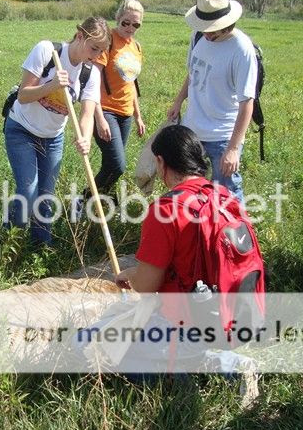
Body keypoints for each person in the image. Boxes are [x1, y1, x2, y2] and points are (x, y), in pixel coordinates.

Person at [75, 125, 263, 376]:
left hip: (184, 326)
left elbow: (146, 286)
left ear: (161, 162)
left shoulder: (165, 211)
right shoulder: (225, 197)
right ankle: (230, 365)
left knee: (84, 344)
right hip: (233, 319)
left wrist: (130, 275)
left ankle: (208, 373)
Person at [4, 17, 111, 246]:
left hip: (53, 138)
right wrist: (51, 86)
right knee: (28, 191)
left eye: (101, 51)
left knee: (46, 196)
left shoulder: (90, 74)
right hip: (22, 129)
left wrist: (85, 138)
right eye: (94, 48)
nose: (96, 56)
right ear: (80, 36)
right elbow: (23, 95)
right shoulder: (47, 51)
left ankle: (41, 247)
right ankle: (8, 241)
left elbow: (87, 114)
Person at [167, 0, 257, 204]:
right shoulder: (198, 36)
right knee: (190, 188)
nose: (207, 33)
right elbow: (193, 73)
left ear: (227, 23)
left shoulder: (241, 49)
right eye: (203, 27)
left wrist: (233, 149)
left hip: (222, 136)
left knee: (227, 194)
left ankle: (233, 226)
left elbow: (247, 103)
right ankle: (198, 223)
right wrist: (178, 101)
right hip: (192, 130)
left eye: (212, 29)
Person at [86, 0, 146, 208]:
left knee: (110, 163)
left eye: (136, 24)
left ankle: (101, 201)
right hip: (105, 111)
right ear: (118, 18)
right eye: (126, 23)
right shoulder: (108, 41)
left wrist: (137, 116)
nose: (130, 28)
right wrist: (99, 118)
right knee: (117, 165)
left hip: (126, 114)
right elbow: (92, 82)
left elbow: (131, 84)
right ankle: (84, 198)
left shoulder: (136, 47)